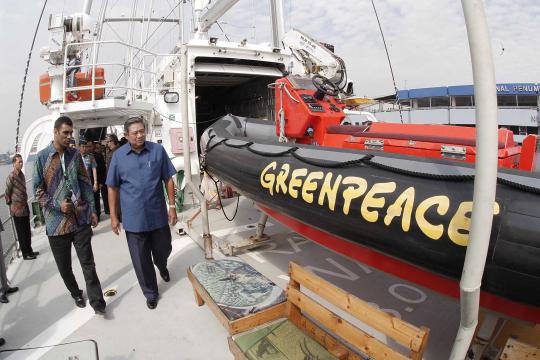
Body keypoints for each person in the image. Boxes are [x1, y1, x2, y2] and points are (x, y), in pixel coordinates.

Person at [33, 116, 106, 315]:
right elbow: (37, 190)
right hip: (56, 224)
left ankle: (97, 303)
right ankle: (75, 292)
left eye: (70, 133)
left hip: (80, 219)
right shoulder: (41, 158)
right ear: (55, 132)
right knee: (65, 269)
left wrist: (92, 210)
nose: (68, 137)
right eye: (65, 133)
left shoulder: (75, 155)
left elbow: (84, 183)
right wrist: (57, 205)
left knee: (88, 264)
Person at [106, 116, 177, 310]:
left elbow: (168, 179)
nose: (139, 135)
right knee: (140, 259)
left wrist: (172, 206)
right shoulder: (118, 157)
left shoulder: (157, 150)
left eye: (141, 131)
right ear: (126, 135)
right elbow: (112, 187)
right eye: (135, 132)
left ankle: (161, 265)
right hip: (134, 218)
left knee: (164, 249)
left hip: (158, 214)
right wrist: (113, 217)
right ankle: (151, 293)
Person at [5, 154, 38, 260]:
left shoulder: (22, 175)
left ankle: (30, 250)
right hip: (17, 209)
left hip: (25, 206)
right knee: (21, 232)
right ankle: (25, 254)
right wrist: (12, 205)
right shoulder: (11, 177)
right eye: (19, 162)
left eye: (21, 161)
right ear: (14, 163)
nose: (21, 163)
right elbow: (7, 193)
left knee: (27, 231)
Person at [80, 139, 100, 220]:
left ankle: (94, 217)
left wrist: (95, 182)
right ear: (79, 147)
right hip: (80, 182)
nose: (85, 148)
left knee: (92, 200)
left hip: (89, 180)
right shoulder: (75, 157)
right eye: (83, 146)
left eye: (86, 146)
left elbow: (94, 169)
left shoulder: (90, 156)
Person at [93, 142, 107, 217]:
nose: (99, 149)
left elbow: (101, 169)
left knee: (98, 197)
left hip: (99, 179)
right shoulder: (95, 156)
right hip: (98, 179)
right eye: (98, 148)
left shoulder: (97, 156)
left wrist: (100, 181)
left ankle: (99, 213)